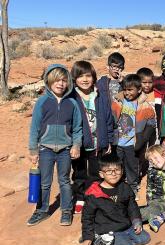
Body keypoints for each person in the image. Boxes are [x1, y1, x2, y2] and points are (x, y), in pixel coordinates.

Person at [27, 64, 82, 226]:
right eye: (57, 80)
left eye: (64, 80)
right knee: (44, 182)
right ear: (49, 81)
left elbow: (77, 128)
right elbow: (35, 128)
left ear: (68, 83)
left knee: (64, 181)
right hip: (45, 149)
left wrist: (76, 145)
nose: (61, 84)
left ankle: (66, 211)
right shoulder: (42, 102)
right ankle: (42, 210)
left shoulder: (72, 103)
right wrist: (33, 149)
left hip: (65, 150)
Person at [81, 154, 150, 245]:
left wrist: (136, 220)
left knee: (144, 239)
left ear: (122, 171)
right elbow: (87, 217)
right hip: (108, 230)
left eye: (117, 170)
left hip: (126, 226)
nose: (114, 174)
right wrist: (87, 237)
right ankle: (99, 238)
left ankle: (122, 239)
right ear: (101, 174)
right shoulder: (94, 194)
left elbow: (132, 206)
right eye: (109, 171)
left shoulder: (125, 187)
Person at [70, 61, 113, 209]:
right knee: (79, 172)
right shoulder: (72, 97)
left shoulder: (99, 95)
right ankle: (80, 197)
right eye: (80, 76)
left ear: (93, 77)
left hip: (98, 142)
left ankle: (93, 195)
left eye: (88, 76)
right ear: (74, 79)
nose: (85, 79)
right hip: (80, 143)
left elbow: (108, 118)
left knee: (96, 171)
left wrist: (108, 140)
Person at [136, 67, 165, 181]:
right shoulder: (135, 95)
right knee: (140, 152)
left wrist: (164, 131)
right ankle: (138, 175)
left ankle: (152, 176)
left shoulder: (158, 95)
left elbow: (163, 115)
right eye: (144, 82)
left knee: (153, 151)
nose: (147, 85)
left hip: (154, 130)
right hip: (139, 130)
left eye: (150, 82)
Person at [115, 74, 141, 194]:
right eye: (125, 89)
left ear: (138, 90)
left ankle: (132, 187)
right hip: (118, 141)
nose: (127, 93)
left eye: (130, 90)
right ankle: (117, 186)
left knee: (132, 166)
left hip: (131, 142)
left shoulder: (140, 103)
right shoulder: (120, 100)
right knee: (117, 165)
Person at [96, 52, 125, 146]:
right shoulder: (101, 83)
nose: (117, 69)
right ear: (108, 67)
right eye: (114, 66)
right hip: (107, 118)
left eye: (120, 67)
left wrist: (123, 84)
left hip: (121, 121)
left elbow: (125, 97)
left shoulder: (125, 82)